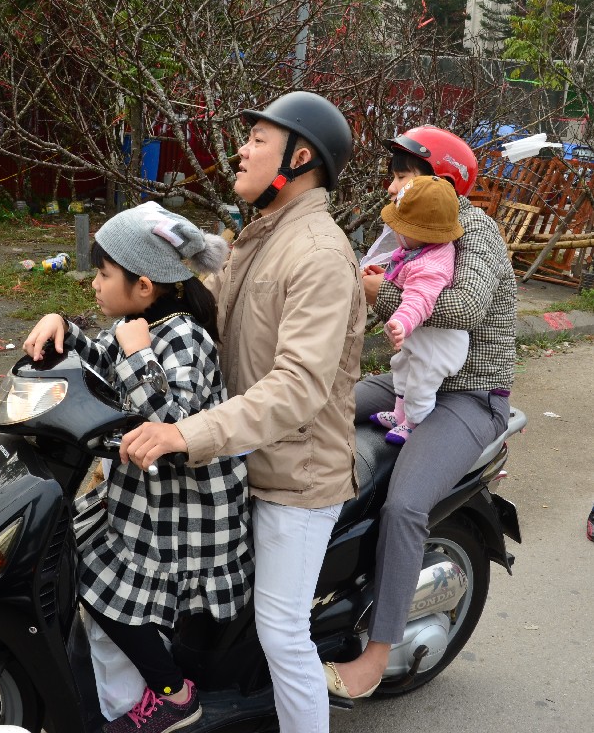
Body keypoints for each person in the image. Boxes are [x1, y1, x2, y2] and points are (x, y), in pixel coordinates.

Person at [118, 91, 366, 733]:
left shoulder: (319, 252)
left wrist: (184, 432)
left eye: (258, 138)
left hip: (295, 475)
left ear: (300, 155)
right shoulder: (265, 234)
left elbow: (296, 387)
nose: (242, 148)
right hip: (237, 460)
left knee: (282, 632)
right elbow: (219, 306)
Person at [23, 201, 254, 733]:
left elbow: (169, 426)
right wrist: (62, 326)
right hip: (143, 497)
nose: (96, 284)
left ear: (145, 285)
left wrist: (134, 354)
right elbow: (100, 363)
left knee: (106, 592)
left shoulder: (185, 338)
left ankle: (173, 694)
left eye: (104, 274)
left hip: (184, 510)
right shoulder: (137, 323)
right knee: (91, 575)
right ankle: (126, 702)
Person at [323, 125, 516, 699]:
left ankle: (375, 658)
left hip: (470, 397)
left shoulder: (475, 230)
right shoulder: (402, 233)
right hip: (406, 381)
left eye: (406, 173)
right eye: (396, 171)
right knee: (303, 411)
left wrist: (377, 293)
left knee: (406, 504)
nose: (394, 182)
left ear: (443, 183)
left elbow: (465, 305)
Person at [371, 174, 469, 445]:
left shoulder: (431, 265)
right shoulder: (418, 249)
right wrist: (385, 275)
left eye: (399, 227)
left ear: (421, 232)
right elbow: (404, 277)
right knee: (401, 367)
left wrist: (401, 322)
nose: (395, 231)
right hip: (421, 336)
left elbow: (419, 299)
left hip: (437, 344)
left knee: (420, 384)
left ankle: (414, 423)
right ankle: (399, 413)